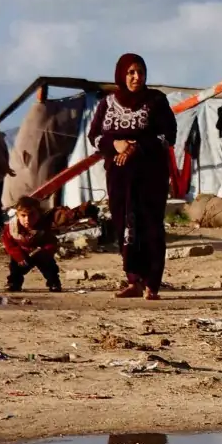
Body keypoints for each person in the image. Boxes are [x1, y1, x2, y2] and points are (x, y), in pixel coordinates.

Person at [87, 53, 176, 299]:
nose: (137, 77)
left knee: (150, 227)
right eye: (131, 72)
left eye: (141, 72)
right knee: (124, 226)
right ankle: (133, 280)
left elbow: (168, 135)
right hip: (119, 177)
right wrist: (115, 145)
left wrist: (135, 147)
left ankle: (152, 284)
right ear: (121, 74)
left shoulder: (156, 101)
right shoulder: (107, 103)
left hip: (150, 176)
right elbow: (94, 135)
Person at [1, 196, 61, 293]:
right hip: (22, 254)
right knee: (15, 267)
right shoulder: (12, 227)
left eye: (31, 215)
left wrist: (45, 251)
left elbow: (52, 241)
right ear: (17, 215)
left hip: (40, 253)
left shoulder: (45, 225)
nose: (27, 219)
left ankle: (54, 283)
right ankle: (14, 283)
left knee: (50, 267)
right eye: (23, 215)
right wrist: (18, 256)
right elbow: (9, 244)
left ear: (39, 214)